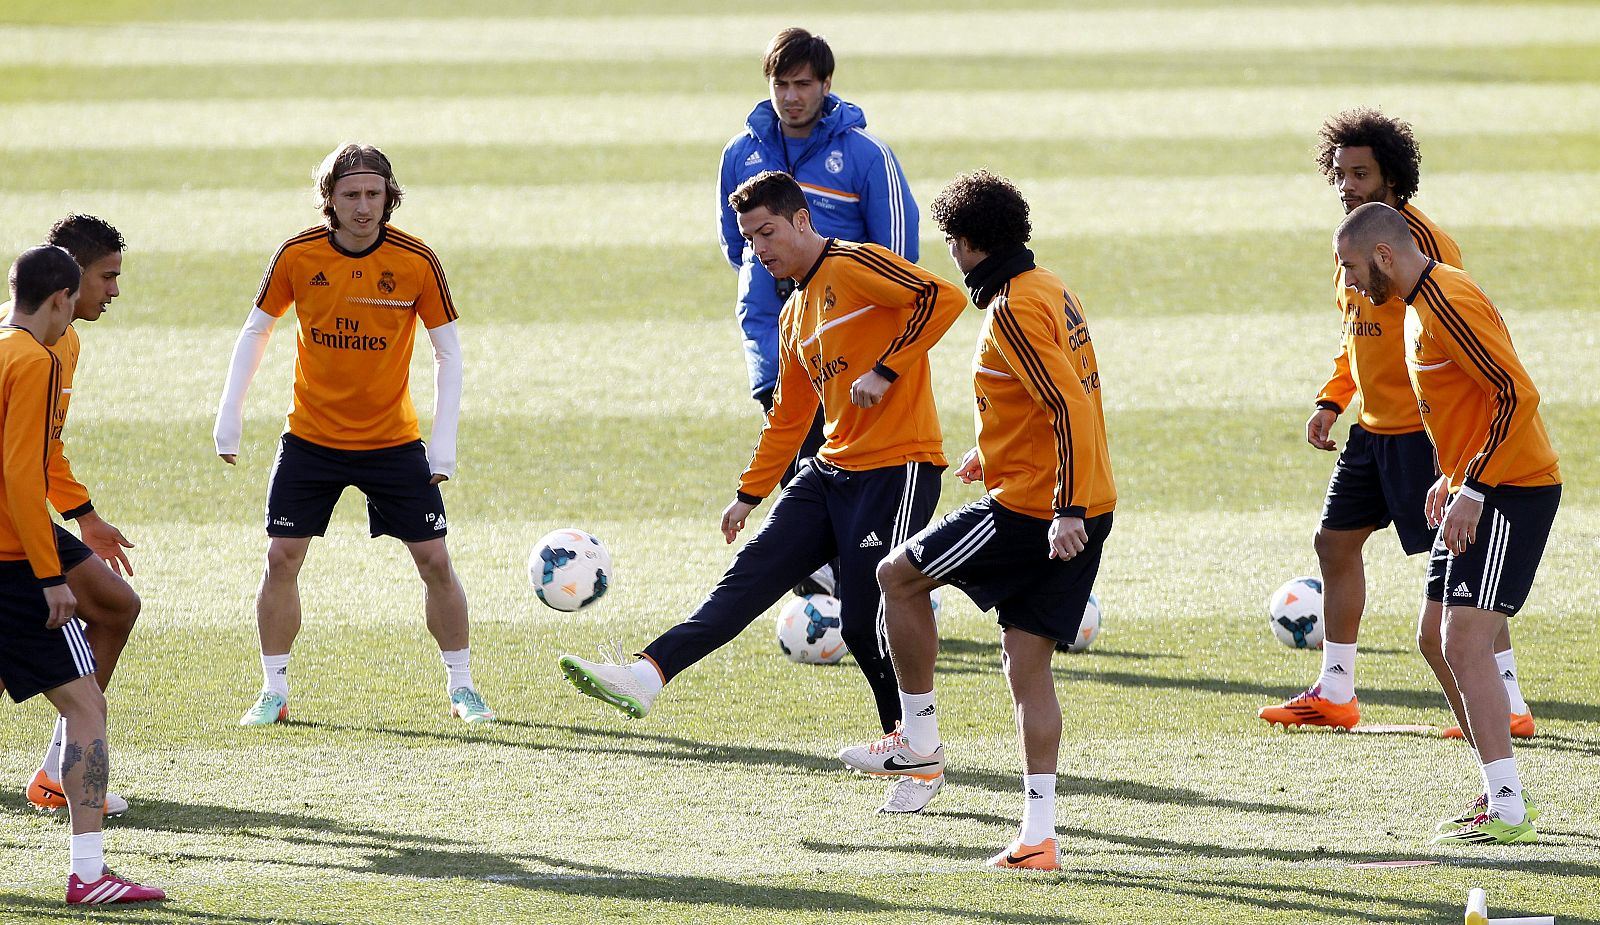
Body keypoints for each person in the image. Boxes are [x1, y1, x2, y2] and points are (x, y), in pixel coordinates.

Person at [560, 171, 963, 811]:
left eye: (766, 232)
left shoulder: (856, 264)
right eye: (748, 239)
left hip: (897, 467)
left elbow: (941, 298)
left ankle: (917, 754)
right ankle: (646, 673)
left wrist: (886, 370)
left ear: (802, 221)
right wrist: (748, 495)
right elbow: (790, 415)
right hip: (829, 473)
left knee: (864, 621)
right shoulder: (794, 311)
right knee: (744, 582)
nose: (759, 248)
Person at [836, 172, 1116, 868]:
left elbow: (1068, 407)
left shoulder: (1015, 309)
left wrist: (1065, 508)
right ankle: (1038, 835)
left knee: (896, 575)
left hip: (1036, 510)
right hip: (1076, 498)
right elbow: (1049, 397)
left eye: (952, 245)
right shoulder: (1050, 286)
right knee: (1027, 667)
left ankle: (919, 744)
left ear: (966, 243)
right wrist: (989, 451)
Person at [1259, 109, 1533, 736]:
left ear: (1392, 175)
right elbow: (1354, 336)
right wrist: (1333, 399)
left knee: (1464, 564)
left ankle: (1509, 700)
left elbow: (1469, 342)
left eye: (1360, 173)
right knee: (1334, 541)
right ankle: (1336, 691)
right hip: (1372, 429)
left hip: (1424, 434)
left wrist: (1459, 447)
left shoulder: (1423, 246)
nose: (1347, 185)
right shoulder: (1351, 242)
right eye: (1340, 175)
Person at [213, 143, 493, 726]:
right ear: (329, 200)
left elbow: (449, 352)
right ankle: (273, 692)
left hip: (392, 443)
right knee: (281, 557)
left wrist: (443, 443)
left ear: (390, 196)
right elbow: (256, 328)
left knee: (436, 561)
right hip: (311, 439)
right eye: (351, 195)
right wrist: (229, 413)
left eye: (374, 194)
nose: (364, 207)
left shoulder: (417, 260)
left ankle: (463, 687)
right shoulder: (297, 254)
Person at [1335, 202, 1560, 845]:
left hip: (1512, 489)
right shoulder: (1414, 308)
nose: (1350, 283)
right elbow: (1470, 399)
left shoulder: (1447, 303)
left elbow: (1518, 394)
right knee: (1435, 636)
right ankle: (1498, 790)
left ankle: (1509, 804)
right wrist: (1451, 475)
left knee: (1465, 639)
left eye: (1352, 268)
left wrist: (1478, 485)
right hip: (1474, 485)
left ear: (1383, 255)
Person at [718, 27, 920, 596]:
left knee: (846, 465)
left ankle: (862, 581)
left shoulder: (865, 155)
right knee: (792, 448)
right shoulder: (741, 152)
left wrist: (880, 351)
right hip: (771, 328)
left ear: (826, 84)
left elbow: (900, 257)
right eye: (780, 84)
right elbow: (736, 248)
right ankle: (825, 582)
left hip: (846, 337)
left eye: (803, 84)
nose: (791, 96)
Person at [0, 246, 164, 904]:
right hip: (13, 563)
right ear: (63, 298)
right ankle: (89, 873)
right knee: (86, 707)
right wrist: (49, 575)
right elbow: (19, 476)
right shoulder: (37, 359)